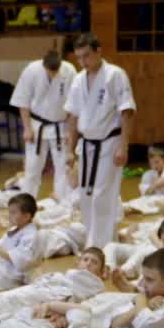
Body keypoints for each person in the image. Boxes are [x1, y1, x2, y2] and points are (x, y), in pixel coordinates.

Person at [65, 32, 136, 248]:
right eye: (79, 58)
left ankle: (100, 248)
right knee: (85, 195)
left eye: (86, 56)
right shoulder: (78, 80)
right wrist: (69, 150)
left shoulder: (115, 75)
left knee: (102, 195)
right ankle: (99, 240)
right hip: (86, 144)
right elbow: (72, 116)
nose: (83, 62)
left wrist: (123, 146)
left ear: (98, 51)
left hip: (110, 143)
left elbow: (127, 111)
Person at [12, 49, 77, 202]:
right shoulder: (31, 70)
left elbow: (74, 106)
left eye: (56, 70)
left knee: (63, 168)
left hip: (61, 125)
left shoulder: (69, 71)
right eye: (50, 71)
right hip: (36, 126)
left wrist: (69, 130)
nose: (54, 74)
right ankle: (27, 203)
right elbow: (23, 101)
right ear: (44, 65)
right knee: (32, 169)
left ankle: (62, 204)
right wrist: (27, 128)